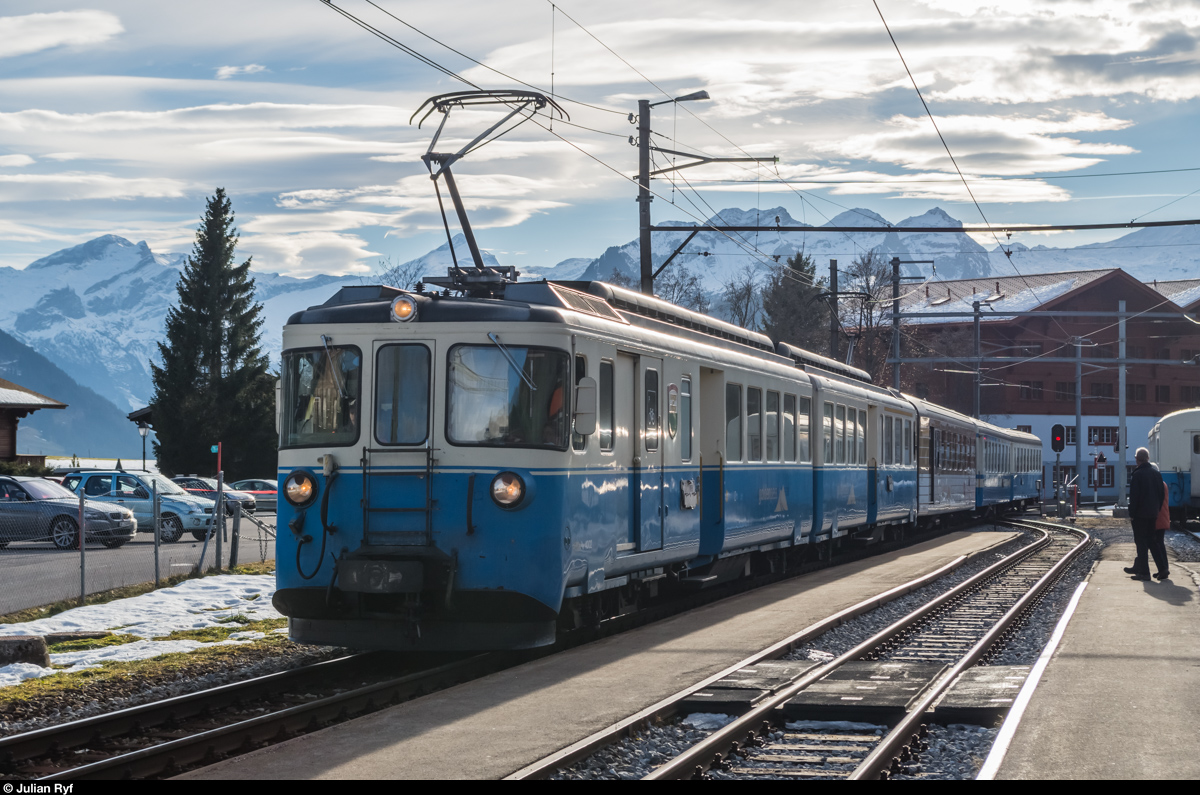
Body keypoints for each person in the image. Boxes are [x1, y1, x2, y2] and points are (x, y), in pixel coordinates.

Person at [1126, 447, 1167, 581]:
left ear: (1137, 459)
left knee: (1141, 543)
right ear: (1148, 458)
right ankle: (1163, 569)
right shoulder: (1156, 474)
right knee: (1152, 541)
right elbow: (1161, 495)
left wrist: (1132, 513)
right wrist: (1156, 509)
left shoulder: (1137, 475)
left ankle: (1144, 573)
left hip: (1140, 515)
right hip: (1153, 513)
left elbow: (1134, 497)